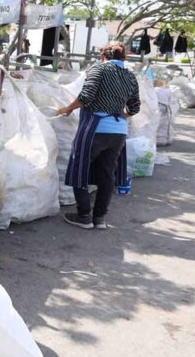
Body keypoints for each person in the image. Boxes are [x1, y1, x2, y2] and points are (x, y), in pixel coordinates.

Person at [56, 41, 141, 230]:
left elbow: (86, 96)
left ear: (103, 56)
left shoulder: (99, 70)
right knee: (106, 175)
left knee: (79, 169)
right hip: (119, 133)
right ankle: (100, 218)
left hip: (95, 129)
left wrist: (67, 108)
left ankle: (84, 215)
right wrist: (120, 116)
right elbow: (134, 107)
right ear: (123, 58)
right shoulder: (130, 76)